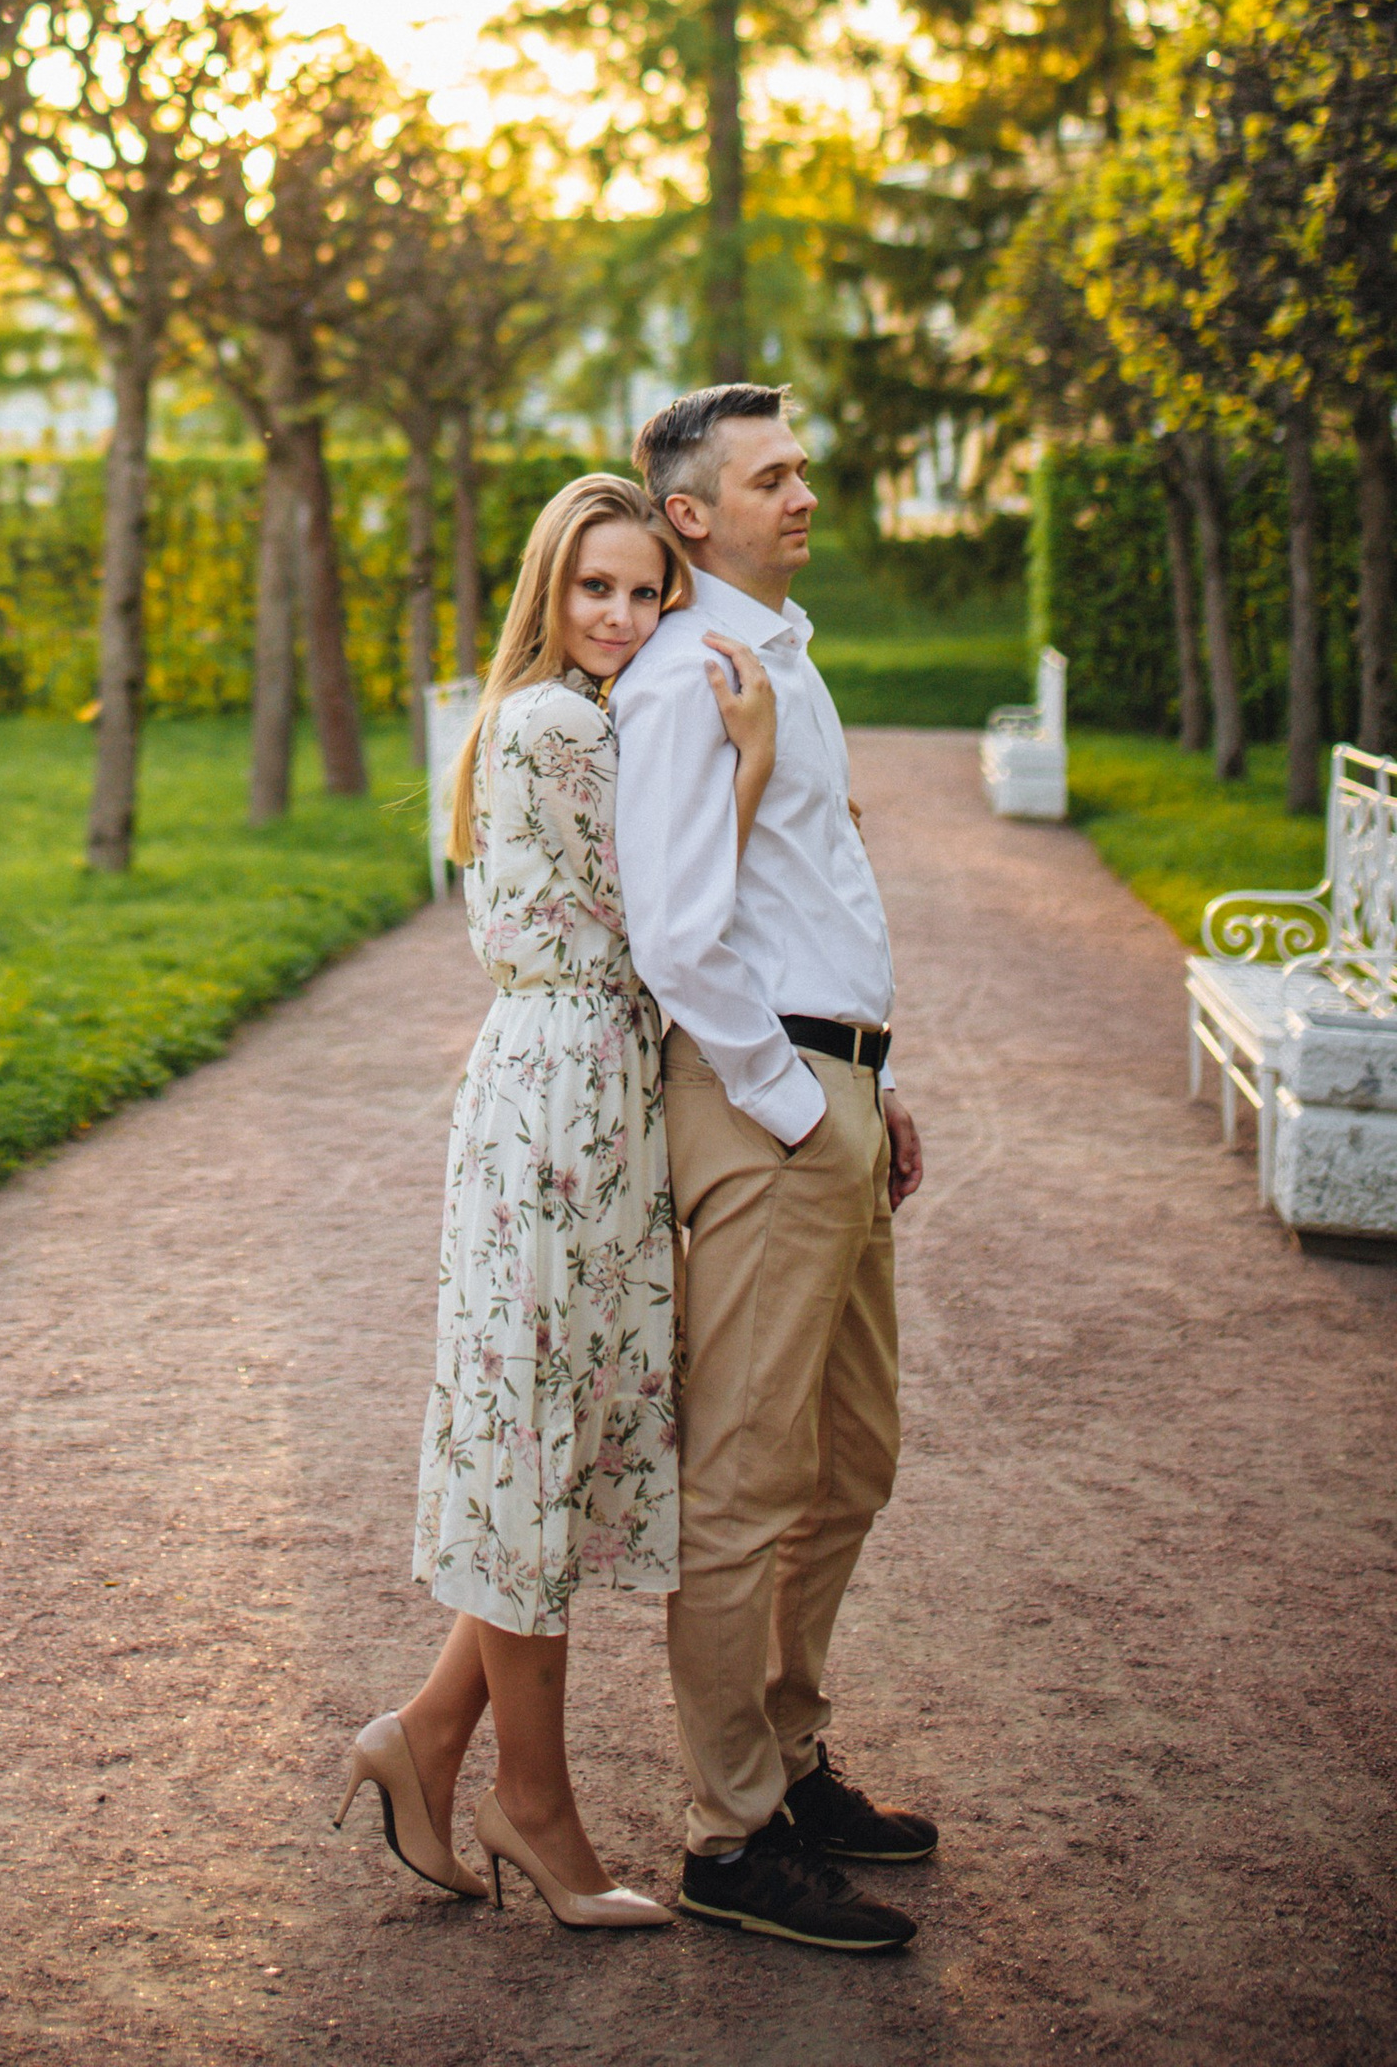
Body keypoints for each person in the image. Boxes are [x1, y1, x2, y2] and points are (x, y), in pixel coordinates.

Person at [334, 472, 777, 1926]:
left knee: (557, 1442)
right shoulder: (558, 724)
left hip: (582, 1083)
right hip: (560, 1102)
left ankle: (427, 1736)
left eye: (648, 592)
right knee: (540, 1444)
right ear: (549, 588)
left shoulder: (560, 715)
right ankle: (537, 1810)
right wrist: (751, 770)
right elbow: (675, 910)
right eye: (598, 587)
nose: (625, 615)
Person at [612, 383, 938, 1959]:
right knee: (745, 1479)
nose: (804, 493)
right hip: (767, 1104)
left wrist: (879, 1084)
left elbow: (809, 886)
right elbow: (677, 931)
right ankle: (728, 1835)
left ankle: (794, 1762)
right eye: (772, 477)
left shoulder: (781, 662)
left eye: (803, 467)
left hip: (836, 1084)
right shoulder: (693, 677)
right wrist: (799, 1106)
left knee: (853, 1454)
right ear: (691, 513)